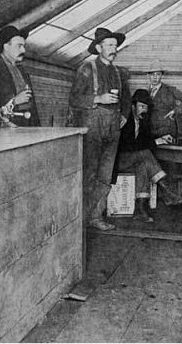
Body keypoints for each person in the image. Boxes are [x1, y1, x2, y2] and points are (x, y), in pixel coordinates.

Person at [69, 28, 131, 231]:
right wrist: (97, 98)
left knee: (105, 175)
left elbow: (127, 99)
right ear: (98, 47)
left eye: (115, 45)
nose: (114, 49)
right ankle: (79, 219)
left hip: (113, 128)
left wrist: (124, 116)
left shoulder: (119, 72)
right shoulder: (86, 69)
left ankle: (95, 217)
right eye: (110, 45)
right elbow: (74, 99)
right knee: (89, 174)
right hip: (92, 127)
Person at [115, 89, 182, 222]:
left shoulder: (142, 121)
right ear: (133, 106)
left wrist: (161, 137)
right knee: (145, 153)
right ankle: (168, 191)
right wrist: (155, 142)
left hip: (133, 161)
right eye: (142, 106)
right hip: (118, 160)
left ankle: (140, 210)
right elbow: (129, 145)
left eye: (146, 107)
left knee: (144, 166)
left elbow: (145, 139)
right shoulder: (125, 120)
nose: (144, 110)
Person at [146, 59, 182, 140]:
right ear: (148, 76)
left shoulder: (170, 90)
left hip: (168, 132)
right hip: (152, 132)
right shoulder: (146, 93)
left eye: (158, 74)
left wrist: (175, 111)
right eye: (152, 74)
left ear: (161, 75)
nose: (155, 77)